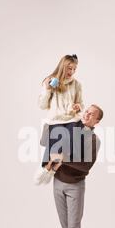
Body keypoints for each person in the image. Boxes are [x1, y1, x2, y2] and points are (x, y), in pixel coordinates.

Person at [44, 104, 104, 228]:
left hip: (75, 186)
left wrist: (62, 159)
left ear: (96, 121)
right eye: (87, 111)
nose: (87, 114)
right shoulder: (70, 129)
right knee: (66, 227)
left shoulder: (93, 140)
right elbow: (50, 142)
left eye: (91, 114)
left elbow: (85, 165)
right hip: (57, 183)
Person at [34, 54, 84, 185]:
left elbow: (81, 103)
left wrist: (77, 106)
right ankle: (48, 169)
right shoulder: (51, 81)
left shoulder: (76, 84)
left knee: (70, 150)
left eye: (74, 69)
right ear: (62, 67)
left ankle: (52, 169)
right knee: (54, 152)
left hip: (72, 120)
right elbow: (42, 105)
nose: (71, 72)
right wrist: (47, 89)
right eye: (69, 68)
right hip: (56, 121)